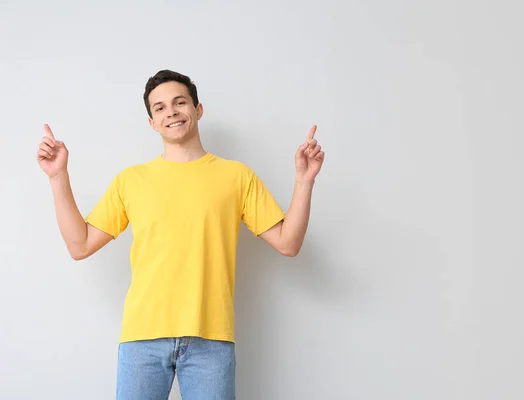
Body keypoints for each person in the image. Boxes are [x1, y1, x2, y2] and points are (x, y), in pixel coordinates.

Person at [36, 69, 325, 399]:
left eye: (179, 102)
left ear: (197, 109)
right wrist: (58, 177)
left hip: (211, 341)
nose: (170, 111)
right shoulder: (131, 181)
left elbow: (288, 244)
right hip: (142, 339)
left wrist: (304, 181)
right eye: (159, 107)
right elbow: (81, 245)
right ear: (152, 122)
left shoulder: (236, 176)